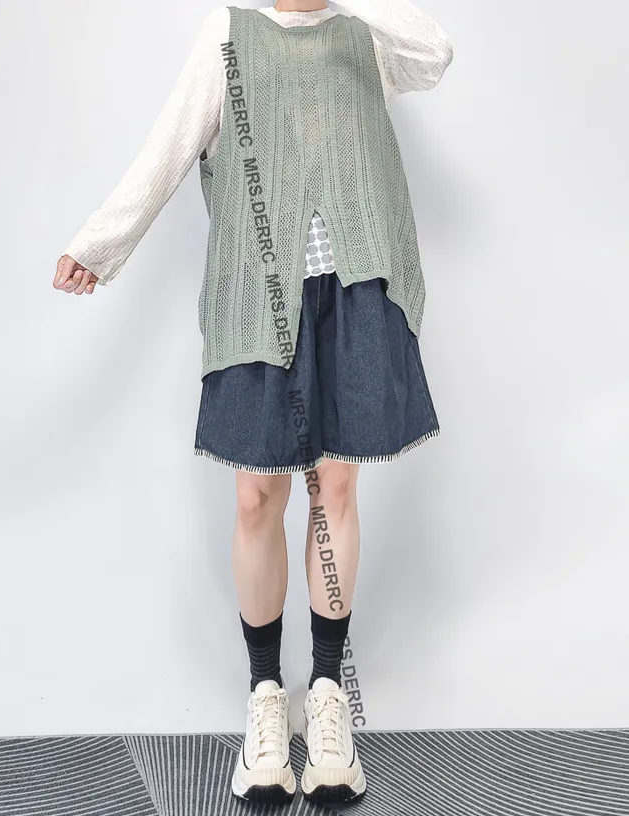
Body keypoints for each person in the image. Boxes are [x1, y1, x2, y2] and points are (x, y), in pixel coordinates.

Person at [55, 0, 452, 805]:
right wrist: (101, 243)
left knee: (335, 487)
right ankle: (267, 698)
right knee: (256, 495)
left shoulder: (366, 35)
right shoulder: (228, 34)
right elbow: (170, 146)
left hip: (355, 287)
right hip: (257, 297)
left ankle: (329, 697)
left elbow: (436, 52)